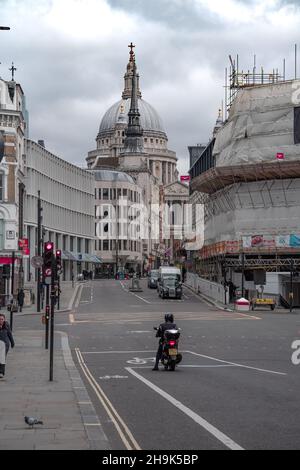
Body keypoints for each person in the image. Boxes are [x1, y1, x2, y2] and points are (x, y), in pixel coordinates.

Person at [0, 313, 15, 378]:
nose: (1, 320)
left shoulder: (6, 325)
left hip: (5, 345)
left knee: (2, 358)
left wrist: (12, 342)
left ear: (4, 319)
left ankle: (1, 372)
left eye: (2, 319)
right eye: (0, 319)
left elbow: (9, 334)